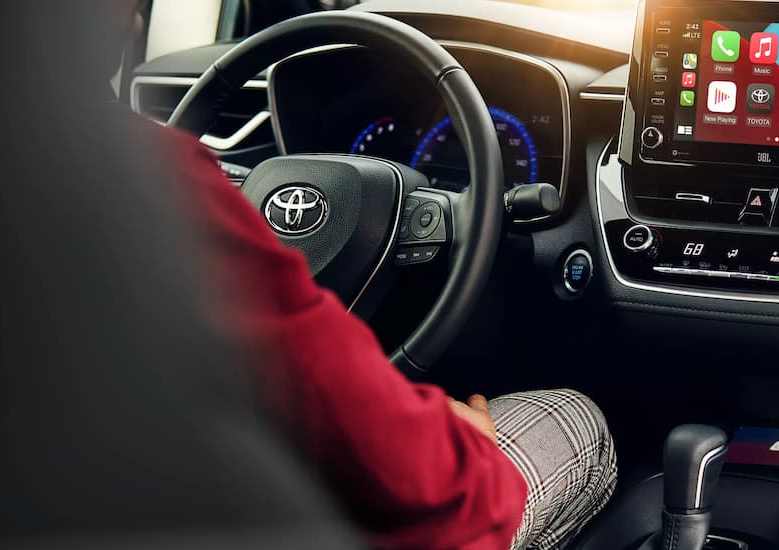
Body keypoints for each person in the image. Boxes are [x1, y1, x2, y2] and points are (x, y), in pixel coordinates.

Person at [113, 2, 617, 548]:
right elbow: (435, 493)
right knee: (579, 418)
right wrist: (462, 446)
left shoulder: (129, 171)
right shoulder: (153, 171)